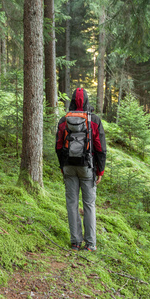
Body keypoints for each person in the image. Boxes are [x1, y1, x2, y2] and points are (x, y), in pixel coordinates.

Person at [55, 88, 107, 252]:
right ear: (86, 101)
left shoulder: (64, 120)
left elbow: (58, 146)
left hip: (69, 166)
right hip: (87, 167)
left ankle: (75, 242)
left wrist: (62, 166)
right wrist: (100, 171)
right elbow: (100, 147)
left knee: (71, 204)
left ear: (71, 101)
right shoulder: (94, 119)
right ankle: (90, 244)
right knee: (89, 205)